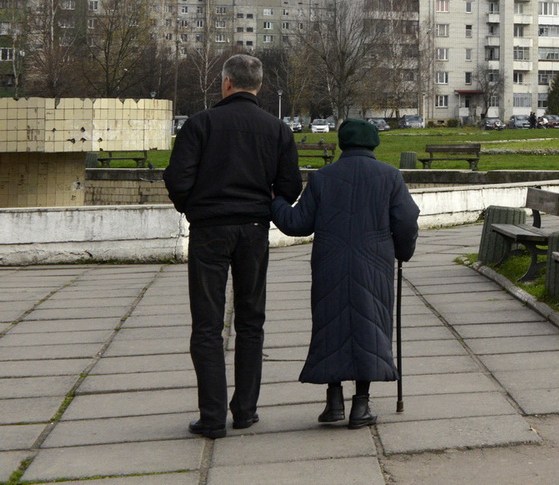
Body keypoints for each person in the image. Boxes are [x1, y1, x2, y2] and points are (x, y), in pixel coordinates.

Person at [164, 53, 301, 440]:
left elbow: (177, 179)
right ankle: (244, 411)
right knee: (251, 321)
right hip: (254, 229)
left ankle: (211, 417)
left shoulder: (200, 124)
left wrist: (196, 209)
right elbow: (289, 188)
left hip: (209, 230)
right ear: (258, 86)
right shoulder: (277, 130)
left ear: (226, 83)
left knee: (207, 325)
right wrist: (261, 204)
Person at [270, 118, 418, 429]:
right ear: (373, 143)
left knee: (331, 326)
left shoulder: (323, 177)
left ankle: (333, 401)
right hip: (374, 264)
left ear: (343, 143)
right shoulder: (390, 176)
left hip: (330, 262)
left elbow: (297, 223)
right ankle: (360, 406)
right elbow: (405, 220)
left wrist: (276, 202)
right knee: (370, 326)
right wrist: (403, 252)